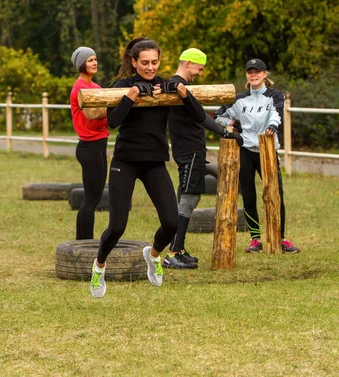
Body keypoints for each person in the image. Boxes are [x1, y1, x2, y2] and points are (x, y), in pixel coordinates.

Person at [90, 37, 207, 297]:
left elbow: (198, 116)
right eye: (144, 63)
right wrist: (131, 97)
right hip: (126, 161)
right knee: (118, 226)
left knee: (171, 222)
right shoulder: (123, 85)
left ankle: (153, 256)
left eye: (155, 62)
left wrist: (181, 92)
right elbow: (113, 122)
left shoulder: (166, 85)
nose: (150, 67)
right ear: (133, 62)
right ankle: (99, 267)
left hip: (154, 163)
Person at [164, 48, 244, 269]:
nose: (200, 73)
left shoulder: (183, 88)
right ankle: (172, 253)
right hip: (188, 151)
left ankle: (178, 249)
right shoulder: (177, 87)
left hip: (193, 151)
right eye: (199, 68)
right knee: (189, 198)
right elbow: (201, 117)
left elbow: (198, 116)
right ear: (188, 63)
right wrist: (226, 133)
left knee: (191, 197)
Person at [214, 58, 300, 254]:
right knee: (249, 195)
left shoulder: (275, 95)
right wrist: (235, 127)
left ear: (264, 74)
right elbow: (218, 117)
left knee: (275, 194)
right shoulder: (239, 99)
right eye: (250, 72)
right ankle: (255, 239)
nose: (253, 75)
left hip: (267, 149)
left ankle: (280, 237)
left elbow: (276, 114)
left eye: (257, 72)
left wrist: (272, 126)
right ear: (247, 75)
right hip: (245, 150)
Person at [69, 47, 109, 240]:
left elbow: (103, 119)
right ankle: (83, 242)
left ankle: (84, 241)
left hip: (100, 144)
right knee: (91, 200)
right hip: (89, 146)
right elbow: (92, 118)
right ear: (81, 64)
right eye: (90, 60)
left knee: (94, 198)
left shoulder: (97, 88)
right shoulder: (80, 89)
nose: (94, 63)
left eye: (95, 59)